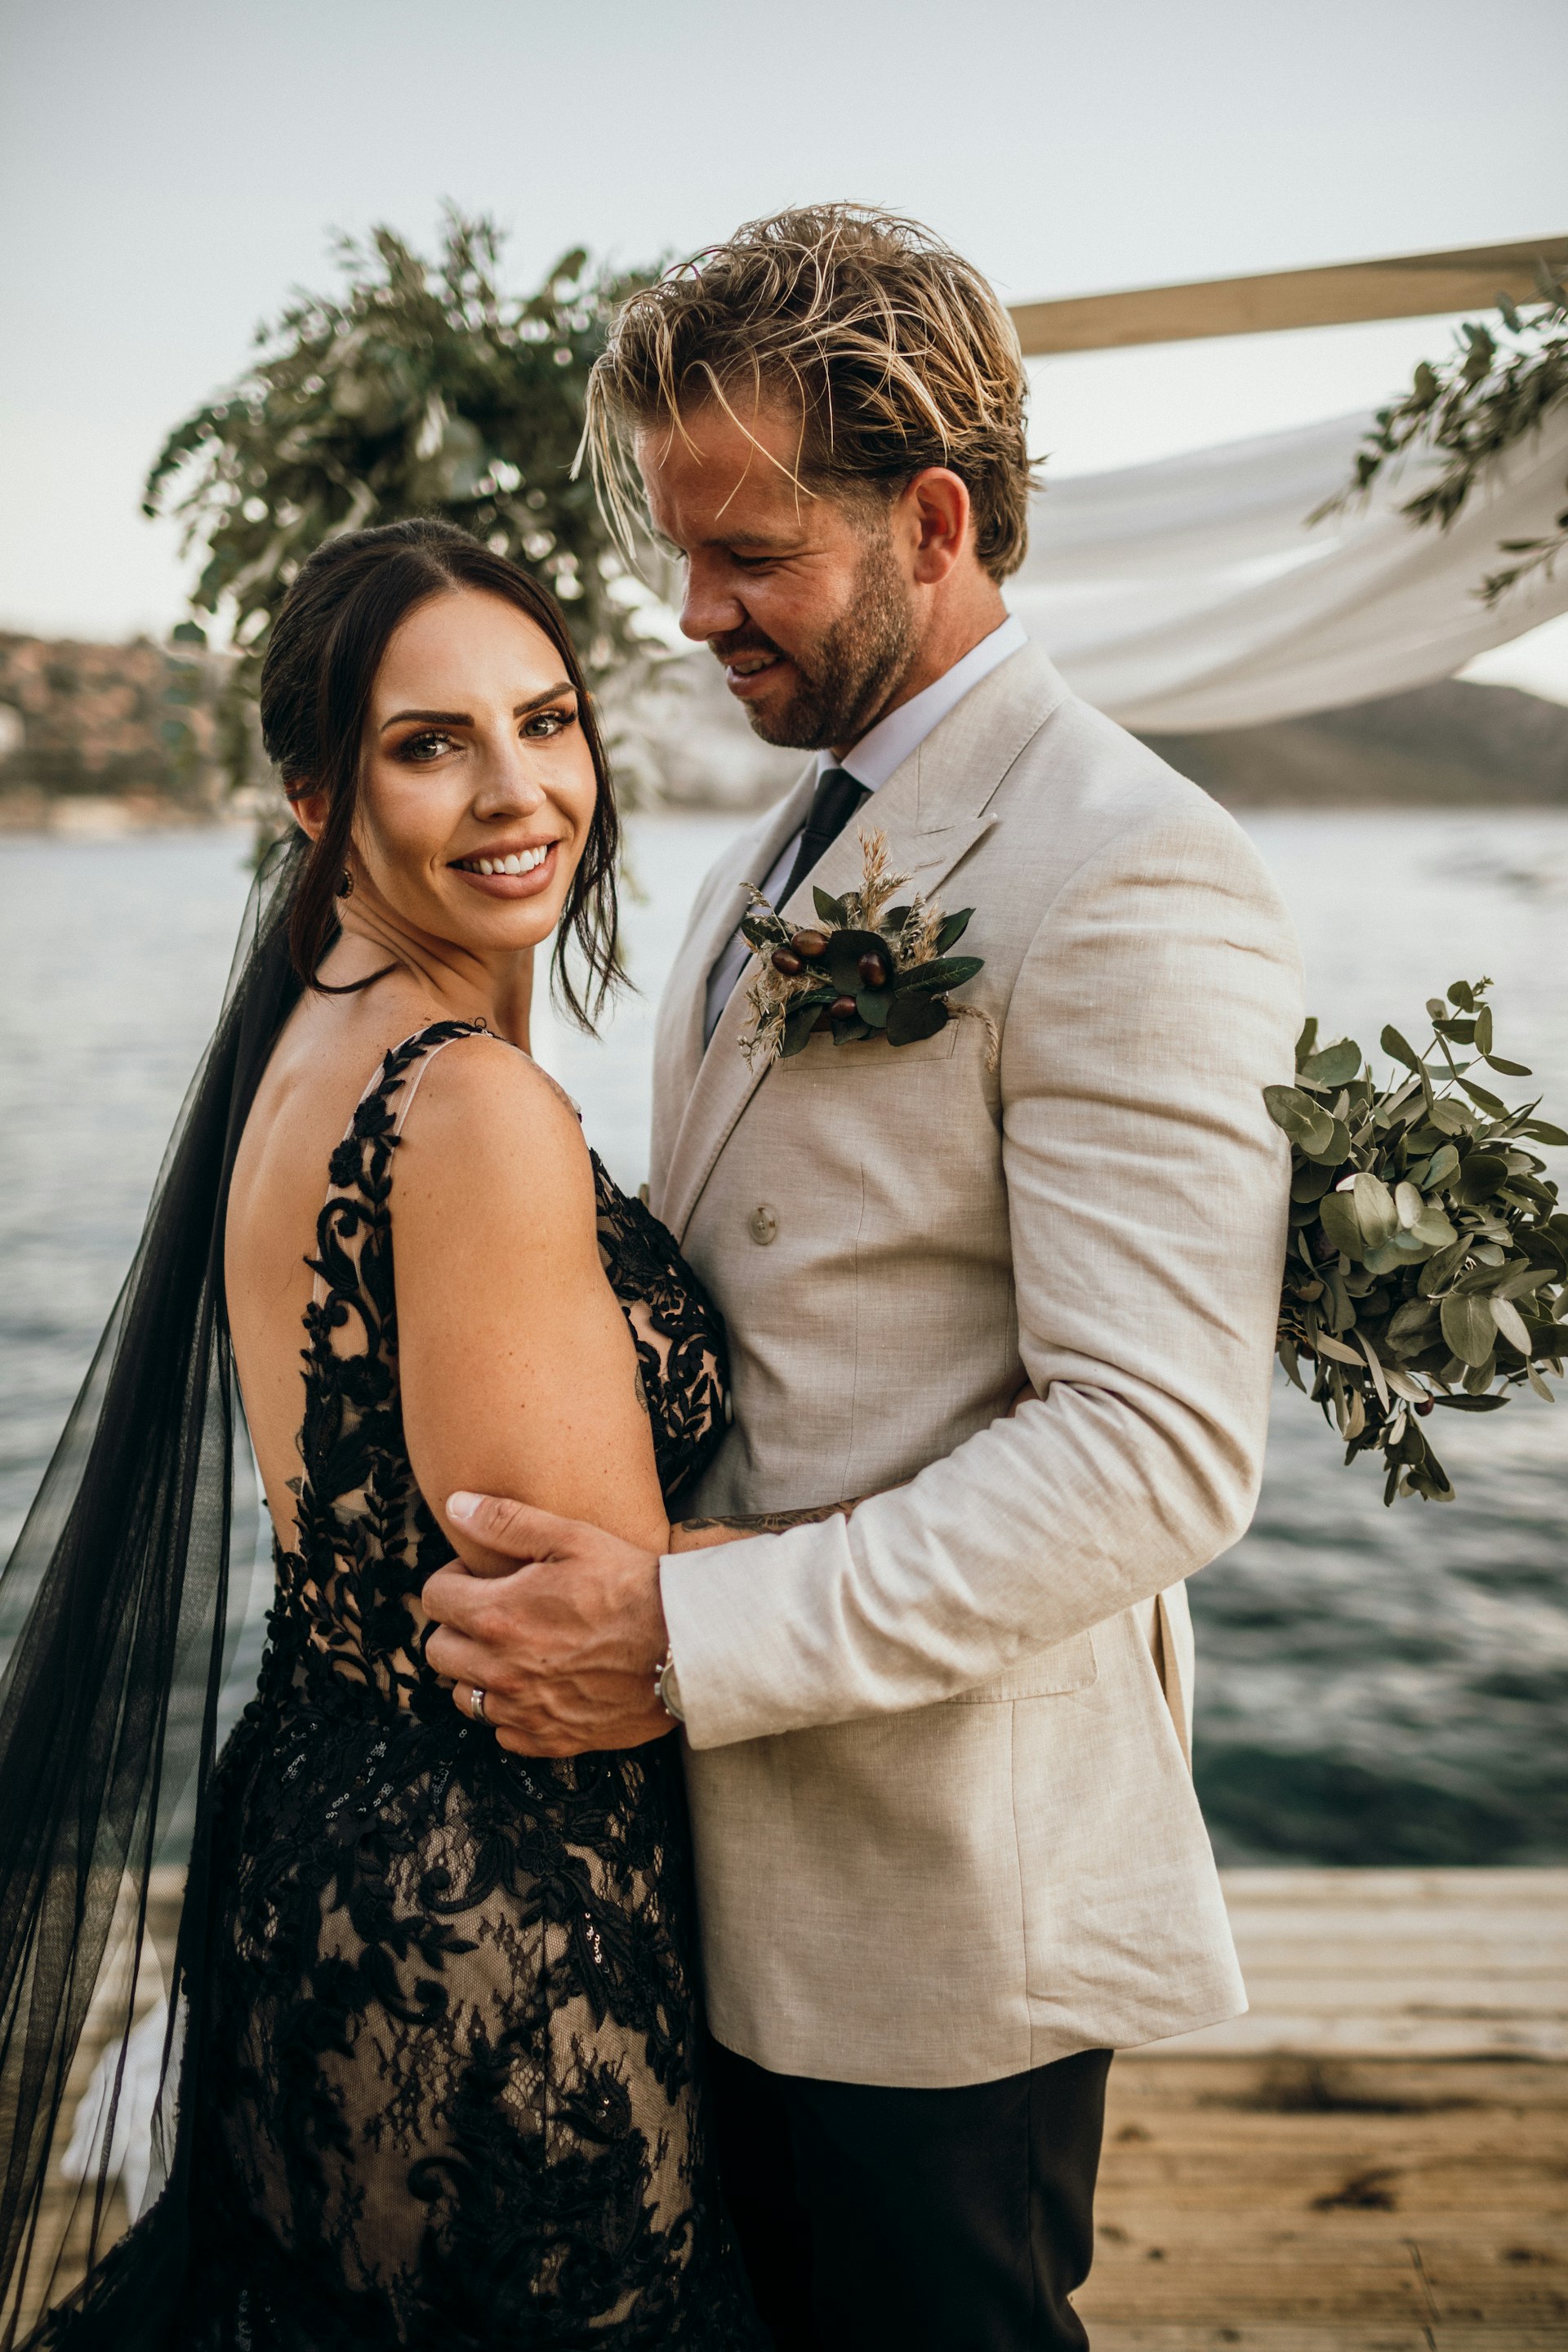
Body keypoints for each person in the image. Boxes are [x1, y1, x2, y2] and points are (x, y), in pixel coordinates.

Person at [421, 206, 1306, 2352]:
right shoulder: (759, 856)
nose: (696, 613)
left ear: (931, 516)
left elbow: (1158, 1451)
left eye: (751, 557)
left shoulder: (1131, 864)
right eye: (679, 554)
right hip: (718, 1867)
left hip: (937, 1907)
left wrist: (677, 1632)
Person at [0, 520, 761, 2347]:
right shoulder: (471, 1103)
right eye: (434, 744)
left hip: (312, 1839)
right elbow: (601, 1630)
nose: (522, 792)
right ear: (317, 796)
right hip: (495, 1922)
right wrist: (898, 1555)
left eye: (549, 720)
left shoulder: (310, 1040)